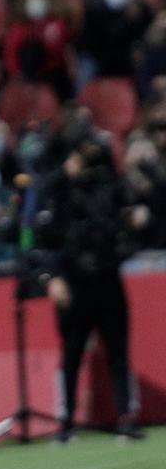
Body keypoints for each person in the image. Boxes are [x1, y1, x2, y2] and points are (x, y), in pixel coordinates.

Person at [33, 131, 148, 442]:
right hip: (73, 280)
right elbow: (41, 237)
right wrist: (51, 277)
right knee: (70, 353)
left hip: (107, 277)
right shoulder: (55, 189)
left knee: (118, 352)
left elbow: (132, 209)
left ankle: (126, 416)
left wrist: (136, 215)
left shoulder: (107, 183)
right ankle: (66, 419)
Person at [78, 0, 152, 81]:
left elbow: (147, 24)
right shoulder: (94, 4)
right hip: (98, 57)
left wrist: (139, 9)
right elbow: (105, 38)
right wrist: (126, 19)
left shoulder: (135, 2)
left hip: (124, 57)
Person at [3, 0, 76, 100]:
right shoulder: (18, 27)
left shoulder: (56, 26)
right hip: (22, 79)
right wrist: (17, 77)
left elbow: (57, 54)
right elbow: (10, 55)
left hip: (50, 78)